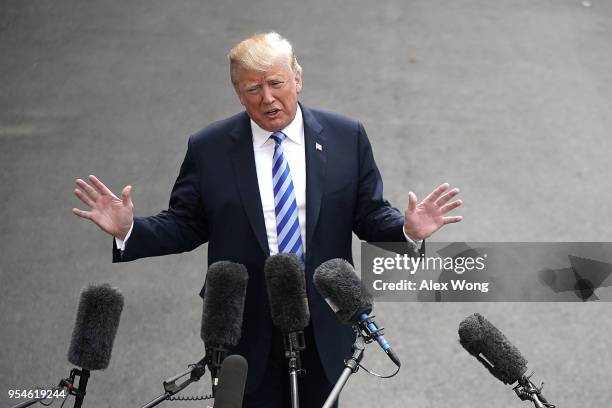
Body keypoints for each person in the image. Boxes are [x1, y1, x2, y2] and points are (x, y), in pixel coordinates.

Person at [72, 32, 462, 407]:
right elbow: (186, 223)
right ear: (238, 93)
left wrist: (407, 231)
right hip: (241, 327)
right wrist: (130, 229)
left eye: (276, 83)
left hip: (322, 323)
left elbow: (370, 214)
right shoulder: (209, 147)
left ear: (297, 78)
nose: (268, 98)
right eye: (253, 89)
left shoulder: (347, 137)